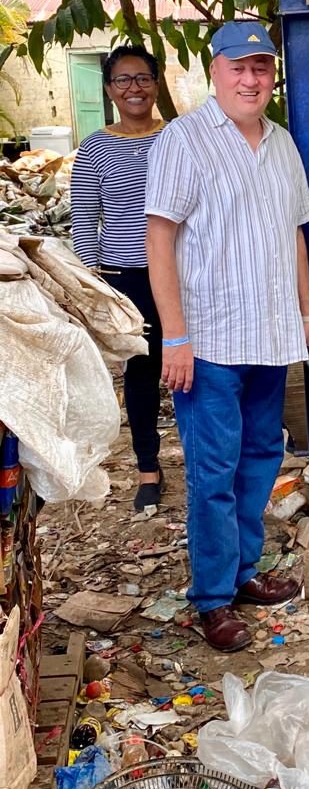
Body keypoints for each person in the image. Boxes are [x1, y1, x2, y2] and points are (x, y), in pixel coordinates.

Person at [145, 20, 309, 653]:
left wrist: (306, 315)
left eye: (261, 68)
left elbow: (296, 232)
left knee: (258, 462)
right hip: (210, 342)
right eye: (238, 68)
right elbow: (158, 236)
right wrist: (174, 336)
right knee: (213, 470)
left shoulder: (281, 144)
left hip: (270, 335)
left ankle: (243, 573)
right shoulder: (183, 139)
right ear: (214, 71)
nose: (251, 80)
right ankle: (213, 598)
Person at [71, 44, 166, 512]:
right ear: (109, 90)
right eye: (123, 80)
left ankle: (213, 462)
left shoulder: (179, 137)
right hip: (125, 278)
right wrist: (93, 282)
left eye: (142, 78)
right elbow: (85, 218)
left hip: (187, 275)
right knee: (143, 373)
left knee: (201, 369)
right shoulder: (94, 147)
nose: (134, 88)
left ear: (156, 82)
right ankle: (148, 467)